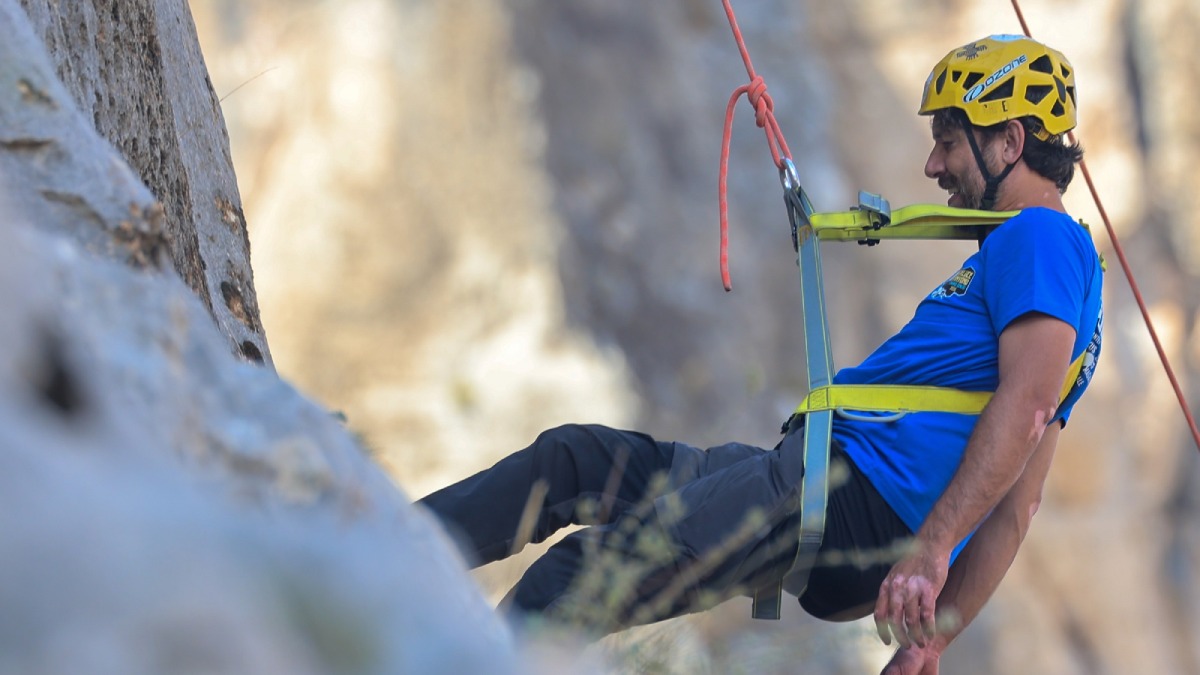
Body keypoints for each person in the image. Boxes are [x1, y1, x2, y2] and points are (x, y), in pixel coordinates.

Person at [419, 34, 1103, 674]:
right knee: (573, 459)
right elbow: (1021, 503)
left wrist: (930, 553)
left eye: (948, 142)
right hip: (819, 489)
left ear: (1011, 141)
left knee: (582, 574)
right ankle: (384, 542)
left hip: (846, 499)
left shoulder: (1038, 238)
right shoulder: (1065, 278)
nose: (933, 166)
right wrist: (936, 633)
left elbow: (1028, 405)